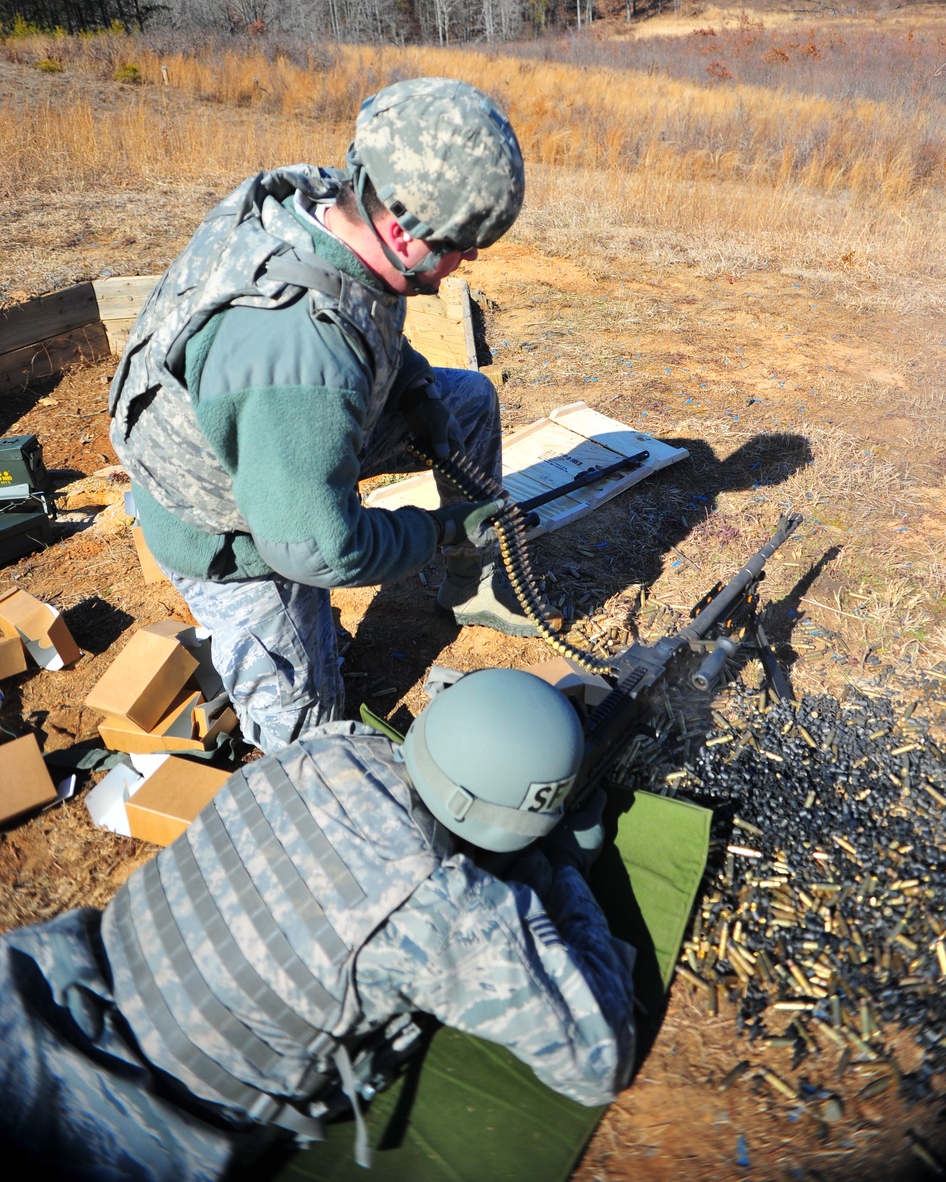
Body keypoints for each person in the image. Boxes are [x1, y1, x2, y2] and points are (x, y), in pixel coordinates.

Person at [0, 668, 637, 1181]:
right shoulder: (442, 909)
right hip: (128, 1126)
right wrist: (559, 867)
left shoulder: (331, 746)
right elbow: (596, 1059)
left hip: (45, 995)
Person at [108, 77, 544, 753]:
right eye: (463, 242)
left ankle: (473, 586)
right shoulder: (298, 354)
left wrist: (418, 389)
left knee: (469, 401)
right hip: (233, 526)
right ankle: (287, 681)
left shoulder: (332, 207)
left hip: (283, 444)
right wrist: (438, 530)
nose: (471, 258)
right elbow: (316, 549)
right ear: (402, 229)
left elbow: (364, 321)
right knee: (312, 737)